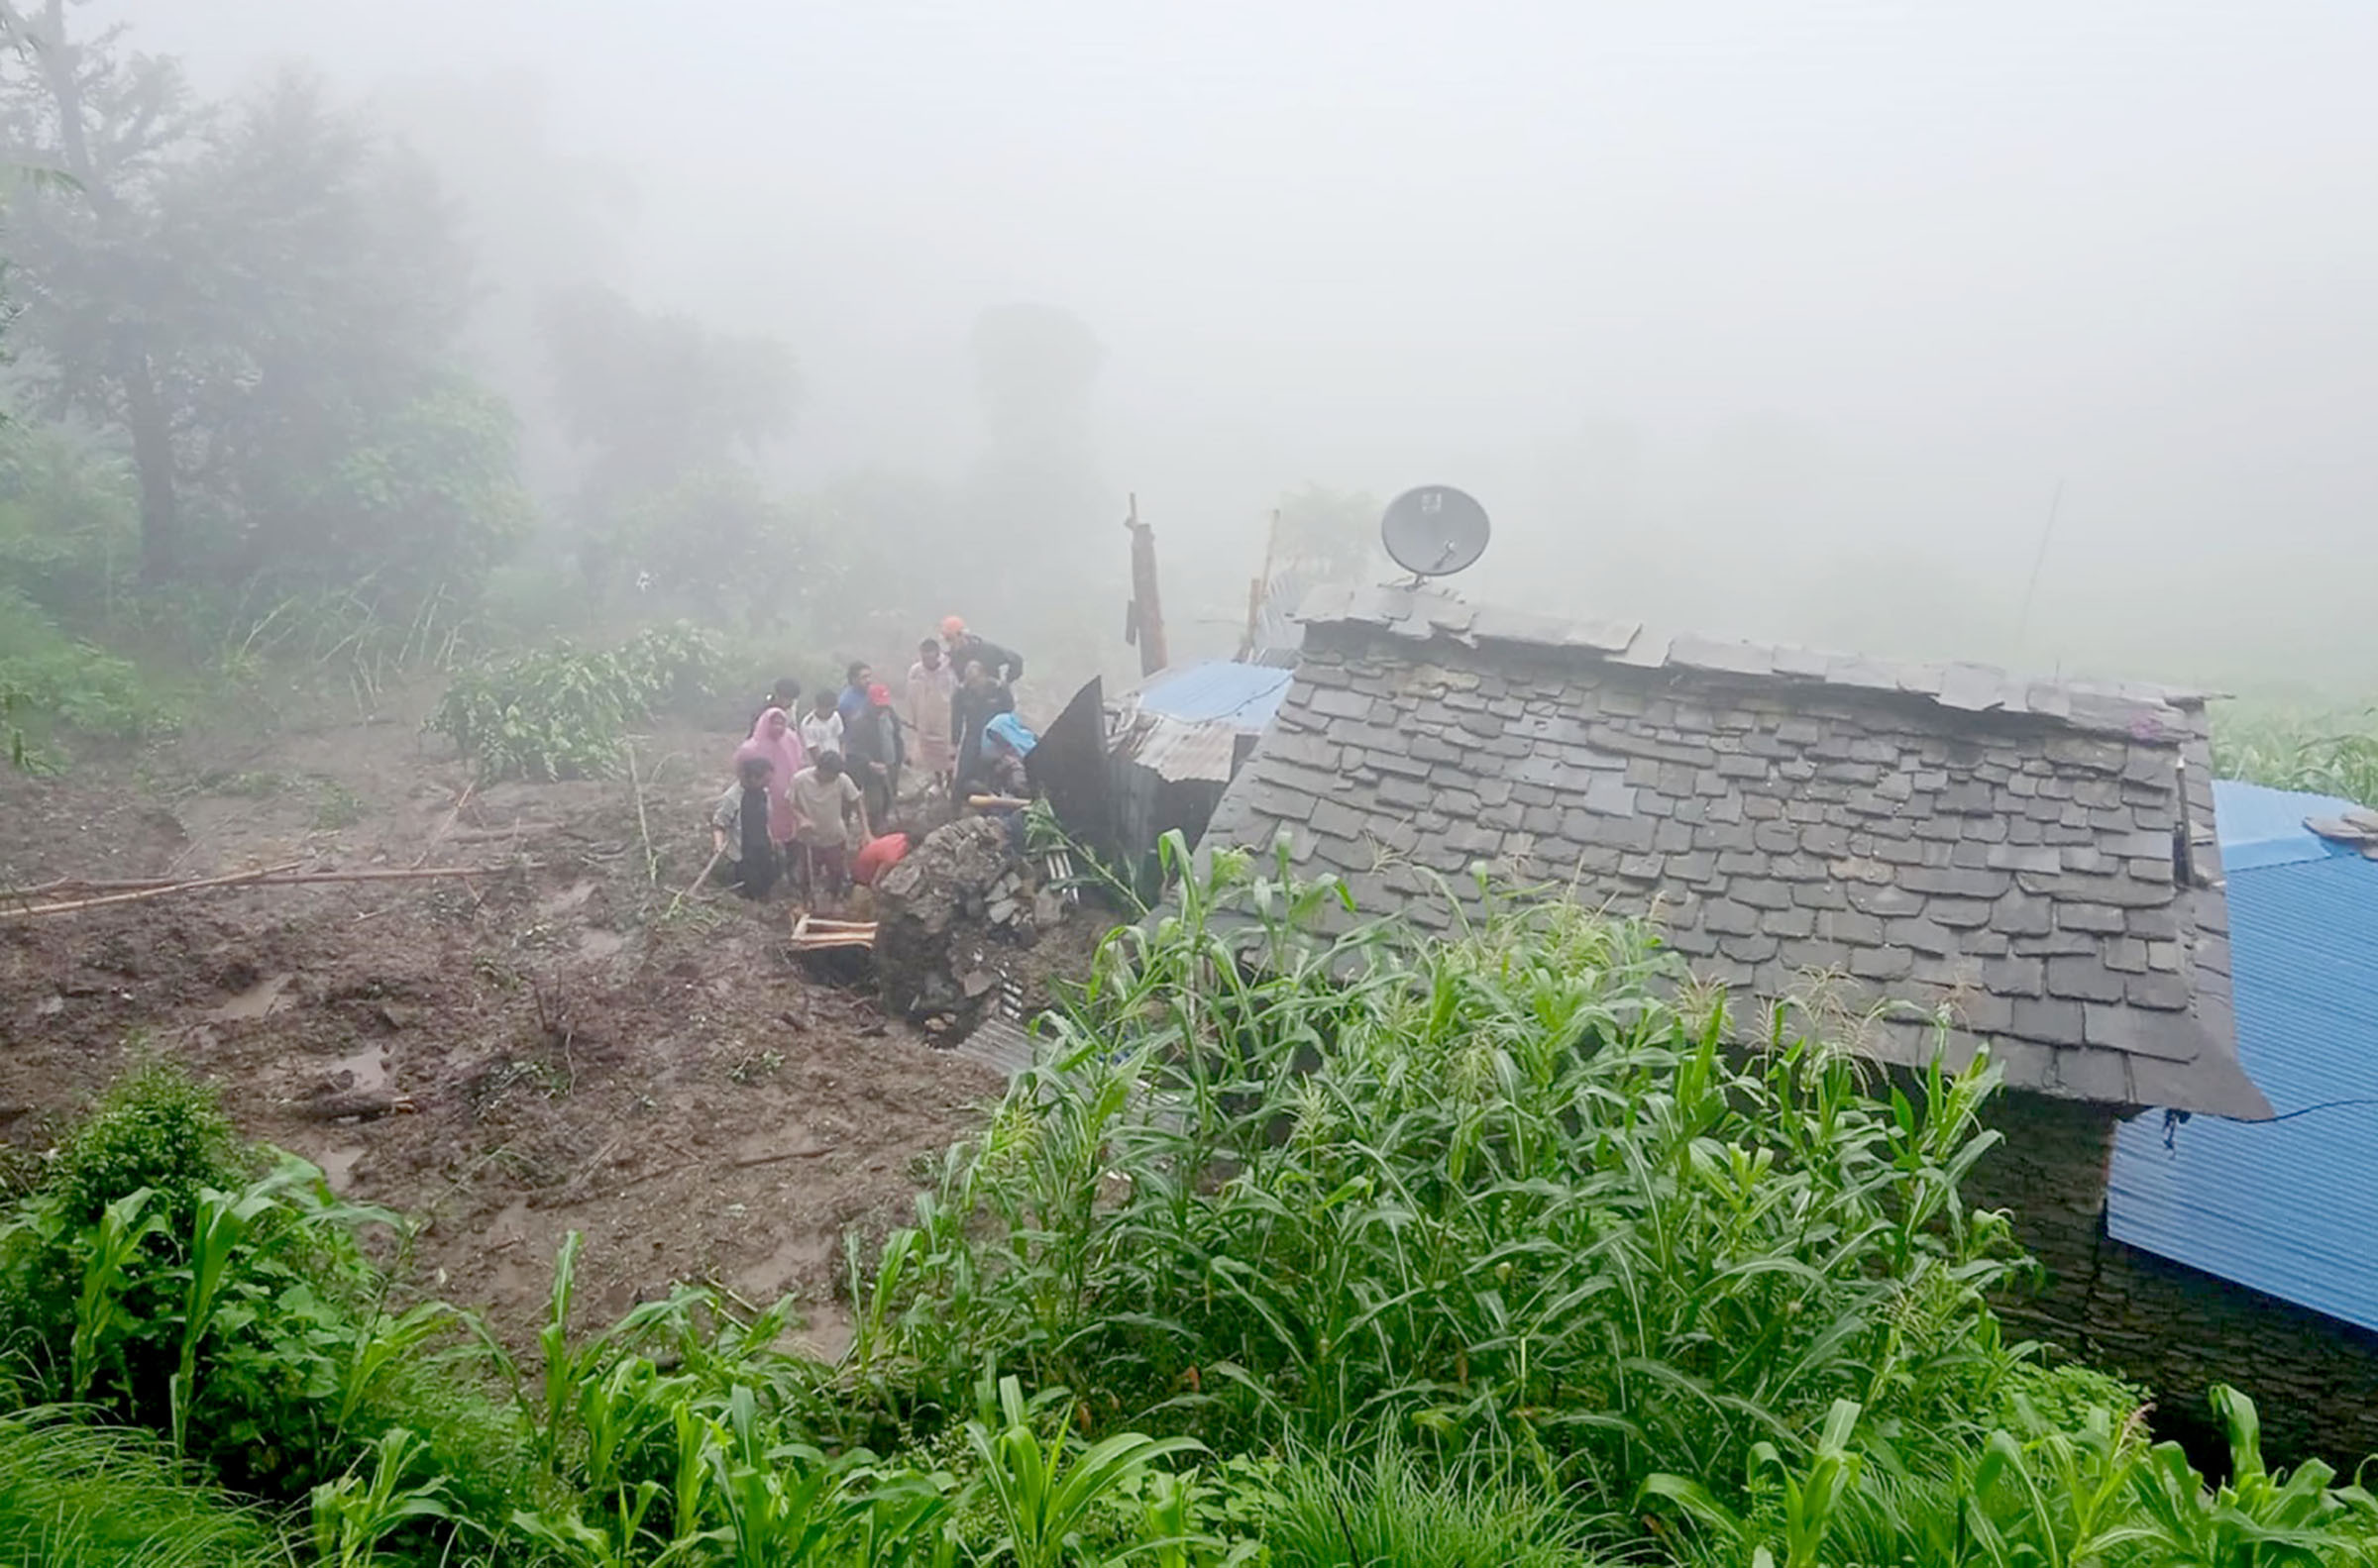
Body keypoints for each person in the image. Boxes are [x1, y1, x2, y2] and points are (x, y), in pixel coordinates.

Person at [789, 750, 868, 901]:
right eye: (830, 776)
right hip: (808, 839)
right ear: (820, 769)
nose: (833, 779)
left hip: (834, 836)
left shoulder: (842, 780)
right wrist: (801, 819)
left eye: (835, 776)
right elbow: (790, 804)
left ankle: (834, 900)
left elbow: (857, 801)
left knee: (836, 873)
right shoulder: (799, 780)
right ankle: (807, 902)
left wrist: (866, 831)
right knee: (807, 875)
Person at [710, 747, 780, 899]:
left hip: (763, 846)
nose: (768, 784)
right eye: (765, 780)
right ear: (752, 778)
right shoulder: (732, 798)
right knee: (750, 888)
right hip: (744, 853)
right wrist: (718, 844)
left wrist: (771, 838)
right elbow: (719, 823)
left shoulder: (764, 792)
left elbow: (766, 819)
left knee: (768, 881)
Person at [739, 706, 807, 847]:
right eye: (774, 723)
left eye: (782, 723)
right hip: (765, 795)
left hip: (790, 792)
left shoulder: (791, 739)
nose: (778, 727)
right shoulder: (750, 748)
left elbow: (799, 761)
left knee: (793, 828)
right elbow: (742, 773)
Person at [949, 659, 1013, 801]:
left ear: (983, 675)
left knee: (994, 771)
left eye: (976, 680)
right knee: (963, 772)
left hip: (994, 735)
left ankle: (994, 803)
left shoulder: (999, 688)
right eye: (970, 682)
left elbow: (1009, 712)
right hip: (973, 734)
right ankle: (956, 805)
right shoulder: (961, 692)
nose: (974, 685)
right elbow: (957, 719)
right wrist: (954, 743)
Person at [844, 681, 906, 827]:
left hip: (891, 764)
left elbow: (896, 735)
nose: (882, 708)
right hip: (871, 770)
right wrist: (870, 763)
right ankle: (874, 829)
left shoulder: (890, 714)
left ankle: (885, 820)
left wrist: (901, 755)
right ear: (870, 701)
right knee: (875, 803)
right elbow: (854, 748)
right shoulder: (859, 722)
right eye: (878, 704)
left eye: (884, 704)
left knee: (889, 797)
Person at [905, 637, 956, 787]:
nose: (927, 661)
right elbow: (911, 696)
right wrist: (913, 718)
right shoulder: (915, 671)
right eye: (924, 657)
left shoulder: (949, 669)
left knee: (947, 752)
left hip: (945, 719)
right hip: (924, 717)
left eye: (930, 657)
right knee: (930, 753)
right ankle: (938, 780)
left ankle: (951, 779)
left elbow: (956, 694)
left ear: (937, 654)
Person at [940, 616, 1024, 689]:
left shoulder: (988, 650)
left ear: (961, 635)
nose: (949, 643)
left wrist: (1006, 683)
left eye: (949, 638)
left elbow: (1016, 660)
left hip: (992, 701)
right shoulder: (950, 658)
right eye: (946, 639)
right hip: (967, 703)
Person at [798, 689, 843, 758]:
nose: (831, 712)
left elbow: (841, 740)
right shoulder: (808, 724)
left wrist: (842, 759)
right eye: (828, 709)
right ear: (819, 707)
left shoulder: (835, 716)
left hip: (837, 757)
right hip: (822, 760)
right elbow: (812, 749)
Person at [835, 661, 874, 727]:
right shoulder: (845, 702)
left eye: (869, 676)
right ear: (854, 679)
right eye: (864, 677)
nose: (868, 680)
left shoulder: (872, 693)